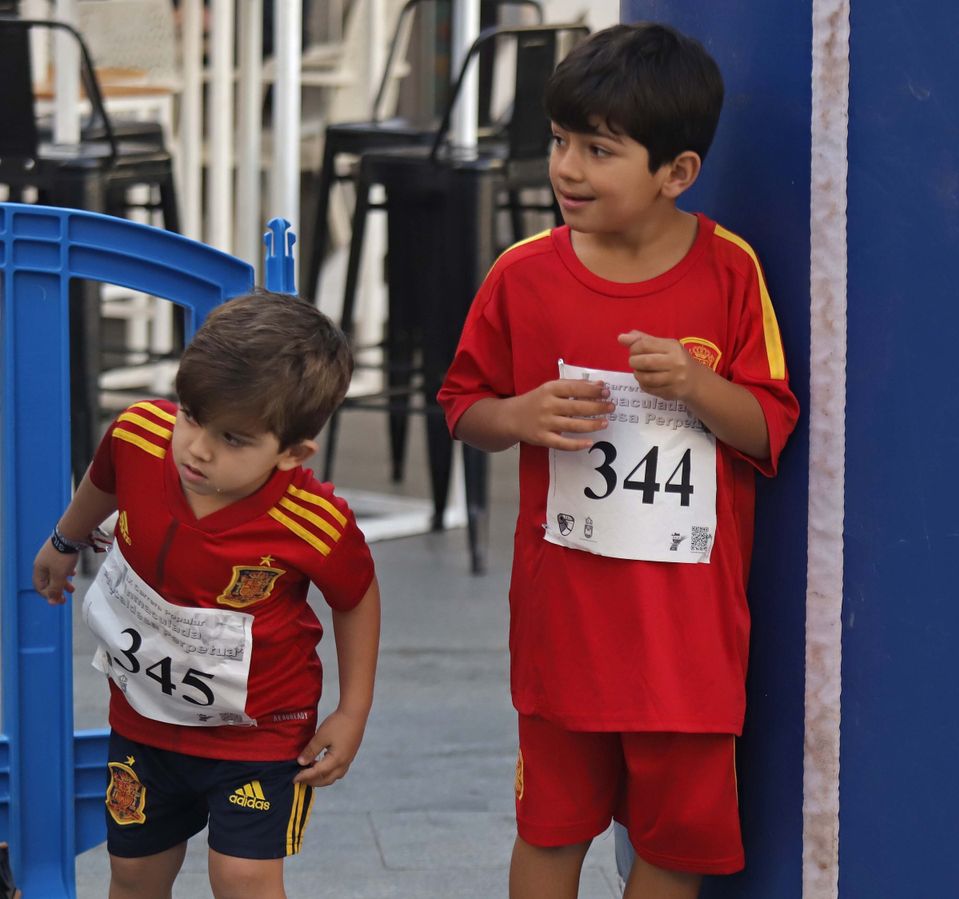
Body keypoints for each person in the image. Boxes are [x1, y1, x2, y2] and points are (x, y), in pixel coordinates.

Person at [437, 22, 799, 899]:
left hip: (689, 642)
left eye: (599, 151)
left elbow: (769, 426)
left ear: (677, 171)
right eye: (560, 141)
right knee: (550, 829)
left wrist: (697, 385)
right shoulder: (523, 275)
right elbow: (462, 405)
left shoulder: (730, 272)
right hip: (563, 631)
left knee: (675, 847)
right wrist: (518, 415)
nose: (567, 169)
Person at [32, 290, 381, 899]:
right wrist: (64, 540)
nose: (197, 447)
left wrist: (352, 712)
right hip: (144, 717)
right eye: (192, 415)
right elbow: (105, 478)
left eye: (233, 439)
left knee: (242, 878)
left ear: (292, 453)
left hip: (260, 732)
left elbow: (356, 596)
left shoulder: (313, 522)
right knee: (134, 874)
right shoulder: (140, 434)